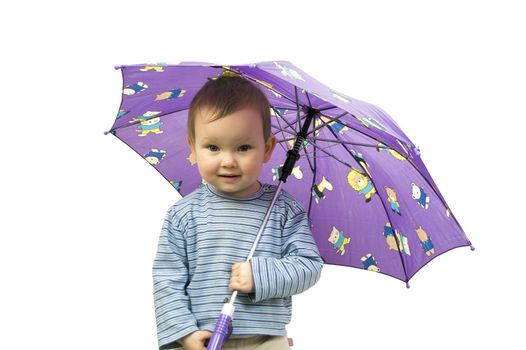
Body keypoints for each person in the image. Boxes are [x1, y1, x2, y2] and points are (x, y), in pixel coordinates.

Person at [152, 75, 323, 350]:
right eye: (213, 147)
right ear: (192, 147)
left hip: (265, 340)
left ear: (267, 148)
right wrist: (184, 333)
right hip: (201, 337)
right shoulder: (183, 214)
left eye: (243, 148)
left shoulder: (283, 209)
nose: (228, 161)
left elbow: (309, 266)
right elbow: (167, 280)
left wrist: (260, 275)